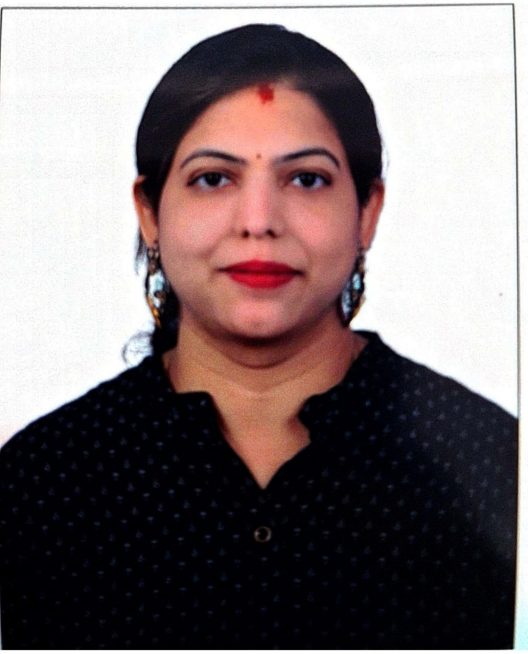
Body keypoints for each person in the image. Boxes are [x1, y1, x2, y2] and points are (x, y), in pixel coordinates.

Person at [0, 23, 517, 649]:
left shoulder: (493, 467)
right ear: (149, 211)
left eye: (307, 179)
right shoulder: (43, 483)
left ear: (367, 211)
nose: (259, 222)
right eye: (214, 179)